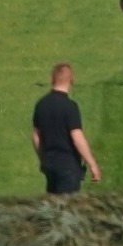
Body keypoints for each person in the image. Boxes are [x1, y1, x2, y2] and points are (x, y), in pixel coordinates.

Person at [31, 62, 102, 193]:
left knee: (52, 207)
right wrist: (92, 163)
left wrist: (42, 158)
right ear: (71, 80)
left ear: (52, 79)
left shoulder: (41, 104)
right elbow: (77, 137)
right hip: (68, 165)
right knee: (66, 209)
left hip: (50, 163)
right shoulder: (70, 107)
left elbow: (36, 136)